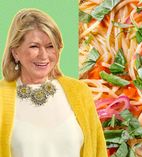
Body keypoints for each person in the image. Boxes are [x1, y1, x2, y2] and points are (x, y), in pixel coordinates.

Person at [0, 8, 107, 157]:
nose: (44, 55)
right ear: (15, 52)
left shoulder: (80, 92)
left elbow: (98, 151)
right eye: (34, 46)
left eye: (50, 46)